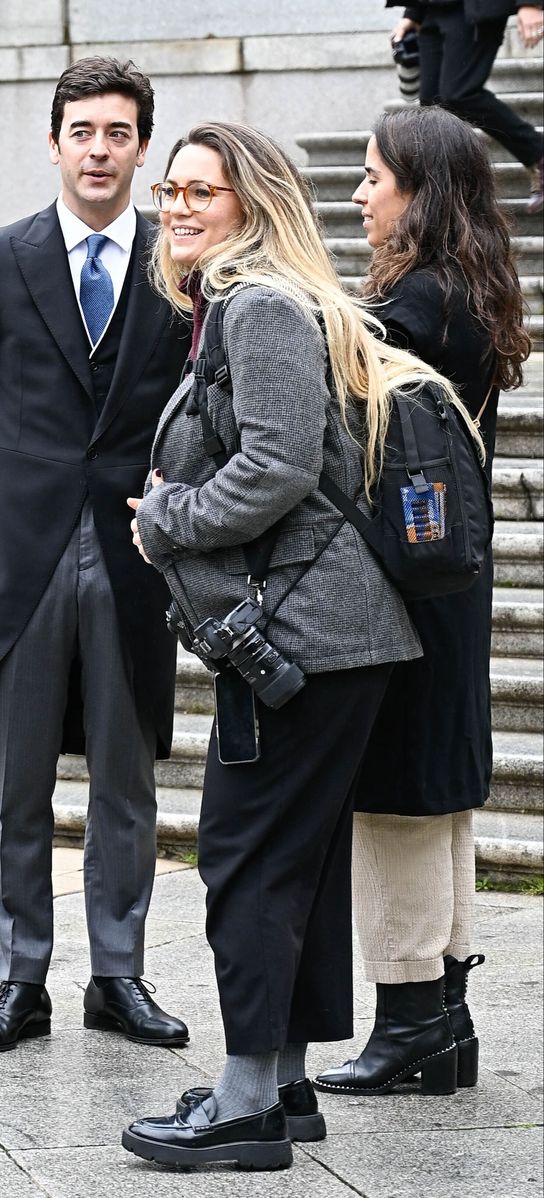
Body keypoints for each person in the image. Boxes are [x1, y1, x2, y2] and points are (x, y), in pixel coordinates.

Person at [119, 121, 466, 1171]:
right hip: (316, 631)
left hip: (304, 634)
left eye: (202, 193)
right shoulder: (242, 300)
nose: (177, 208)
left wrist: (164, 518)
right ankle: (281, 1081)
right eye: (170, 190)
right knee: (294, 862)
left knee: (247, 860)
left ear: (252, 204)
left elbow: (272, 470)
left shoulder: (261, 303)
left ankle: (245, 1104)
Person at [0, 57, 192, 1055]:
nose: (98, 149)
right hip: (22, 553)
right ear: (53, 143)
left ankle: (117, 976)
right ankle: (17, 977)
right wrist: (8, 497)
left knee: (125, 778)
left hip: (134, 551)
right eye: (81, 130)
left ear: (140, 150)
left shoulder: (180, 262)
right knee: (17, 783)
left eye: (118, 132)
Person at [313, 105, 532, 1098]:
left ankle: (406, 1018)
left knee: (400, 793)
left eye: (371, 178)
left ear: (420, 191)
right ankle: (444, 1022)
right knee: (436, 791)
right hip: (448, 579)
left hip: (407, 582)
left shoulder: (417, 309)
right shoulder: (463, 293)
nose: (358, 196)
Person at [385, 1, 544, 213]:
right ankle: (446, 198)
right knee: (432, 110)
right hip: (432, 10)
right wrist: (413, 13)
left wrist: (530, 3)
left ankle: (538, 153)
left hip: (473, 9)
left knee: (460, 94)